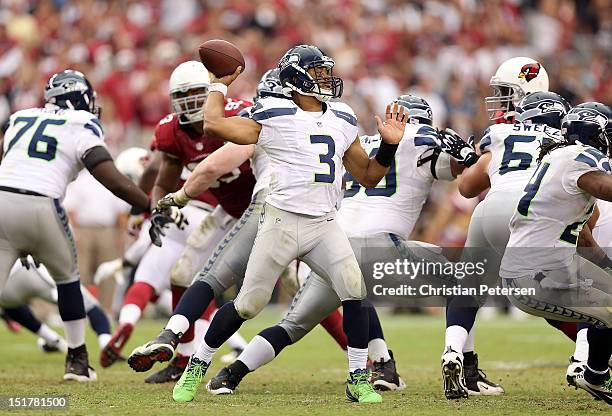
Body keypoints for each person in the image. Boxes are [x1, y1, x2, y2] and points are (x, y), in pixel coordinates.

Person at [100, 61, 253, 381]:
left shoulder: (236, 113)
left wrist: (162, 205)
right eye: (183, 95)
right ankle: (182, 358)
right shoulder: (171, 131)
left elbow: (209, 171)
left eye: (198, 92)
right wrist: (153, 209)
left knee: (303, 287)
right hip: (225, 211)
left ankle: (370, 356)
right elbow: (160, 178)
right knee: (182, 274)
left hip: (266, 207)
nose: (191, 101)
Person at [0, 69, 152, 381]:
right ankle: (77, 360)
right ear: (78, 98)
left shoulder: (20, 117)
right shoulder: (81, 123)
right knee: (67, 279)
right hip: (42, 204)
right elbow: (108, 175)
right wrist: (146, 204)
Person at [434, 58, 555, 399]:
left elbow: (467, 188)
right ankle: (590, 361)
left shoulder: (499, 133)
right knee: (570, 292)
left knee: (466, 285)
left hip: (489, 211)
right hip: (534, 213)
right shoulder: (560, 134)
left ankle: (456, 354)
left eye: (506, 93)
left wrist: (470, 161)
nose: (499, 101)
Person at [499, 102, 612, 404]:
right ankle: (595, 374)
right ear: (595, 135)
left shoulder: (559, 157)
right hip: (537, 275)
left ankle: (596, 369)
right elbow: (605, 186)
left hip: (540, 266)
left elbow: (583, 238)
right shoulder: (580, 159)